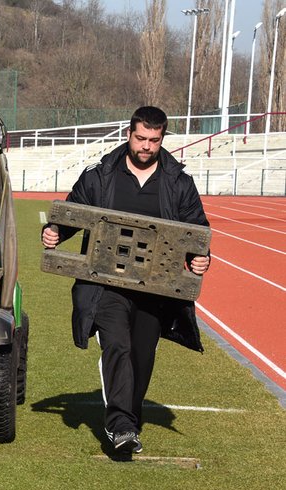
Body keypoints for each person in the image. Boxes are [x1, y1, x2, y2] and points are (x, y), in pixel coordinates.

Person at [41, 105, 210, 455]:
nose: (146, 146)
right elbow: (76, 212)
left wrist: (200, 259)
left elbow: (197, 230)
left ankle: (128, 419)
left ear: (162, 139)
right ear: (128, 135)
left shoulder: (178, 183)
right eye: (140, 138)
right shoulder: (101, 174)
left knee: (142, 355)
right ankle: (119, 425)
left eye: (154, 140)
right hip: (106, 284)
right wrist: (54, 232)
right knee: (117, 345)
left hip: (154, 289)